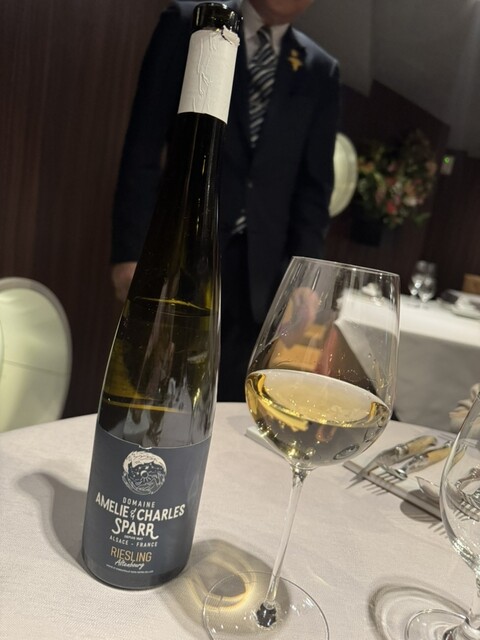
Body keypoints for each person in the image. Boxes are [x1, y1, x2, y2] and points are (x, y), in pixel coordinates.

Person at [111, 0, 340, 400]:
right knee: (153, 389)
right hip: (181, 250)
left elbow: (313, 188)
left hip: (262, 275)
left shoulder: (321, 70)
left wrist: (307, 278)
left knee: (232, 399)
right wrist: (131, 252)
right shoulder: (188, 22)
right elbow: (143, 146)